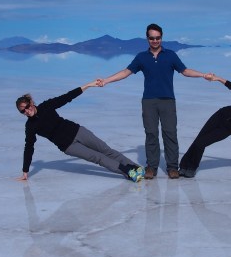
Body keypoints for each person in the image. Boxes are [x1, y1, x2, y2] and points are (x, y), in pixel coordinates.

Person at [96, 23, 212, 179]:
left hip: (168, 101)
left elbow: (185, 71)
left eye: (158, 38)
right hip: (149, 101)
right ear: (147, 39)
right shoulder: (141, 57)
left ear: (161, 38)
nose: (155, 41)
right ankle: (151, 167)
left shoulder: (170, 55)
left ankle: (172, 167)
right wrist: (106, 80)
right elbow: (125, 72)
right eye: (152, 38)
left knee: (170, 133)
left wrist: (203, 75)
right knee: (151, 134)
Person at [15, 81, 145, 182]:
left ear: (31, 102)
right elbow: (29, 147)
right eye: (22, 111)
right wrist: (25, 171)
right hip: (68, 146)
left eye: (27, 107)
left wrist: (88, 85)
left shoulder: (46, 106)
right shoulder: (30, 126)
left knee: (106, 150)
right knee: (98, 157)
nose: (26, 111)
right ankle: (127, 171)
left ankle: (135, 167)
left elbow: (67, 97)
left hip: (78, 131)